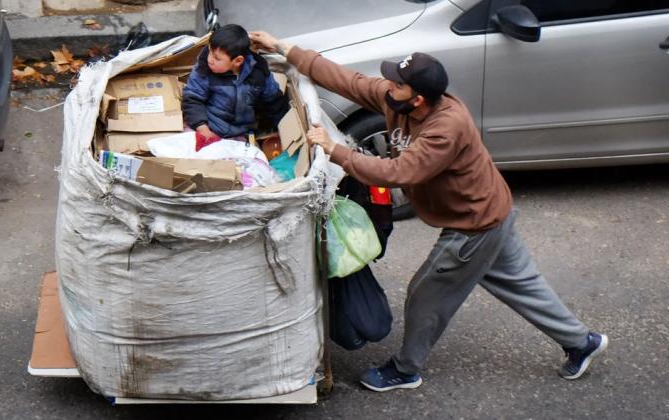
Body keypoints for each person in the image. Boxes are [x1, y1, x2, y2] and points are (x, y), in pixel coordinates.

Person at [249, 31, 608, 391]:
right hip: (493, 212)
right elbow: (350, 81)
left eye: (397, 83)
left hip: (473, 225)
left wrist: (334, 149)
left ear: (418, 99)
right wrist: (283, 48)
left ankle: (405, 369)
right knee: (524, 286)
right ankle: (582, 343)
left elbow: (398, 172)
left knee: (426, 295)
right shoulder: (399, 100)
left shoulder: (445, 128)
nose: (388, 85)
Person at [182, 24, 289, 142]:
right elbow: (192, 99)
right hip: (209, 127)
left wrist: (283, 130)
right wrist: (203, 129)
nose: (210, 60)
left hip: (240, 134)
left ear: (237, 61)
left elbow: (275, 103)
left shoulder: (259, 72)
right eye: (210, 52)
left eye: (217, 58)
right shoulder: (204, 69)